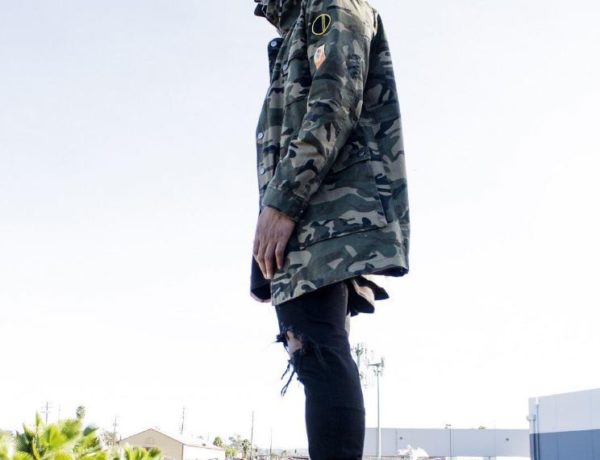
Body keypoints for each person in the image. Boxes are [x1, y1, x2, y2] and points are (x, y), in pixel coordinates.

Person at [250, 0, 410, 458]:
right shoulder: (300, 24)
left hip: (324, 210)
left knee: (317, 351)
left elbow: (335, 99)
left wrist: (282, 203)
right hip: (313, 211)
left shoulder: (330, 5)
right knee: (310, 349)